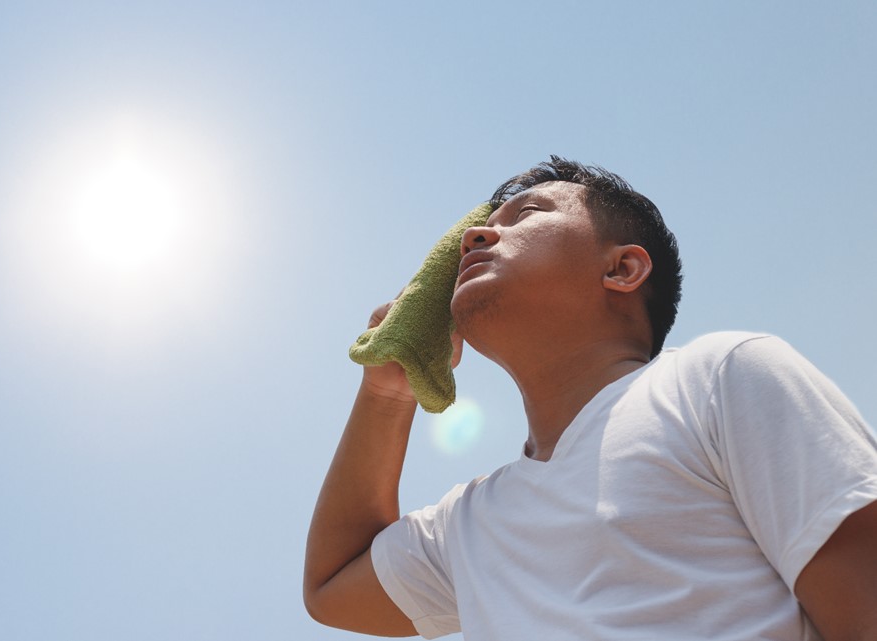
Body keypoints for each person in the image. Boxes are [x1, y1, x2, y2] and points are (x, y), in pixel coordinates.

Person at [303, 157, 877, 640]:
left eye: (526, 215)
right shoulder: (469, 523)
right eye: (476, 233)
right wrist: (384, 390)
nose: (474, 238)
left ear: (623, 268)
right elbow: (332, 588)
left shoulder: (719, 377)